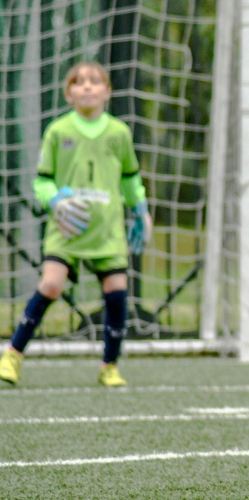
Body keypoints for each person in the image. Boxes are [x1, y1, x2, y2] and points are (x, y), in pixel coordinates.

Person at [0, 61, 152, 388]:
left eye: (95, 82)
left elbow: (129, 178)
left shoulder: (119, 133)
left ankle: (109, 366)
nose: (87, 87)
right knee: (51, 285)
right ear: (68, 93)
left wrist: (141, 210)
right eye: (79, 82)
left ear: (108, 92)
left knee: (116, 294)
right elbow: (42, 182)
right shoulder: (58, 131)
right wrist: (54, 200)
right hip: (66, 230)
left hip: (107, 232)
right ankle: (12, 354)